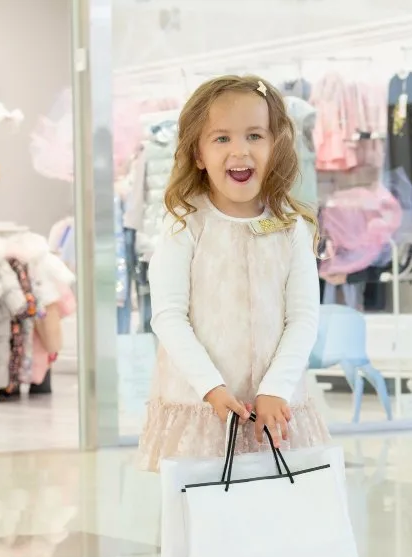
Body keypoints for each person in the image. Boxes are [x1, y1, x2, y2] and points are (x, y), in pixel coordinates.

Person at [137, 75, 330, 472]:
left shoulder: (292, 228)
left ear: (276, 147)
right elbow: (169, 316)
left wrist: (276, 388)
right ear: (198, 154)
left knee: (276, 518)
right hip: (201, 407)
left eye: (255, 136)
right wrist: (211, 387)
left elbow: (304, 318)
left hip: (277, 413)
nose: (240, 150)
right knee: (200, 520)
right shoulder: (185, 225)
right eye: (221, 138)